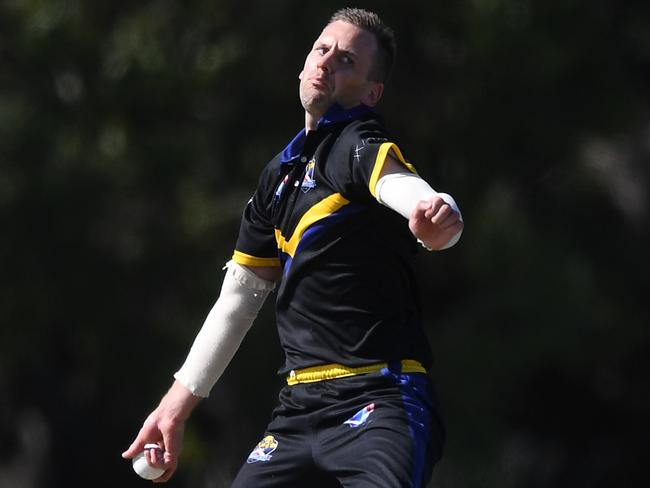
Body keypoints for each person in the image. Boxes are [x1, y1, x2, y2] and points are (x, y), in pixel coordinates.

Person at [122, 8, 464, 487]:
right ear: (304, 63)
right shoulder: (278, 176)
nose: (327, 62)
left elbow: (405, 189)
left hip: (380, 399)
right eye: (322, 49)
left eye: (346, 60)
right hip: (298, 410)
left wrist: (435, 213)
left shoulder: (355, 142)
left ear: (371, 93)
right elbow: (238, 300)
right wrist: (174, 409)